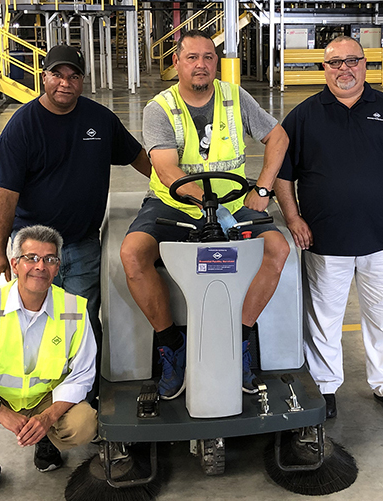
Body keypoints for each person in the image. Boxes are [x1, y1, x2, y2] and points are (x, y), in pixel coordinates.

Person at [119, 30, 290, 399]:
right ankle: (171, 346)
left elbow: (279, 138)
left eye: (209, 57)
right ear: (177, 63)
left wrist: (261, 189)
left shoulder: (235, 97)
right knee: (132, 255)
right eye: (192, 57)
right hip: (174, 203)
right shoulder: (159, 109)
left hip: (230, 202)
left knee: (278, 250)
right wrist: (203, 202)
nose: (201, 65)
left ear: (216, 62)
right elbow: (165, 169)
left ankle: (239, 340)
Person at [275, 36, 383, 420]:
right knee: (324, 319)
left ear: (366, 65)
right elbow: (281, 174)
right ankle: (326, 388)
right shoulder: (304, 115)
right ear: (324, 68)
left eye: (352, 61)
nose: (344, 69)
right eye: (335, 63)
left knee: (382, 315)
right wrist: (293, 218)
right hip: (326, 240)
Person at [0, 45, 152, 393]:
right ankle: (43, 408)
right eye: (57, 75)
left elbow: (139, 157)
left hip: (82, 244)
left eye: (73, 76)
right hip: (34, 251)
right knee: (37, 323)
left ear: (82, 81)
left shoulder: (99, 120)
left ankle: (88, 398)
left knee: (83, 322)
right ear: (43, 76)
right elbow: (5, 198)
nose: (65, 83)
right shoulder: (22, 127)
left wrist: (176, 190)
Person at [0, 225, 97, 501]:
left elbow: (82, 375)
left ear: (57, 268)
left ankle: (45, 437)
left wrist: (47, 417)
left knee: (84, 423)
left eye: (49, 259)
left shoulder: (73, 309)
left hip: (45, 398)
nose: (40, 266)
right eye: (31, 258)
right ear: (15, 264)